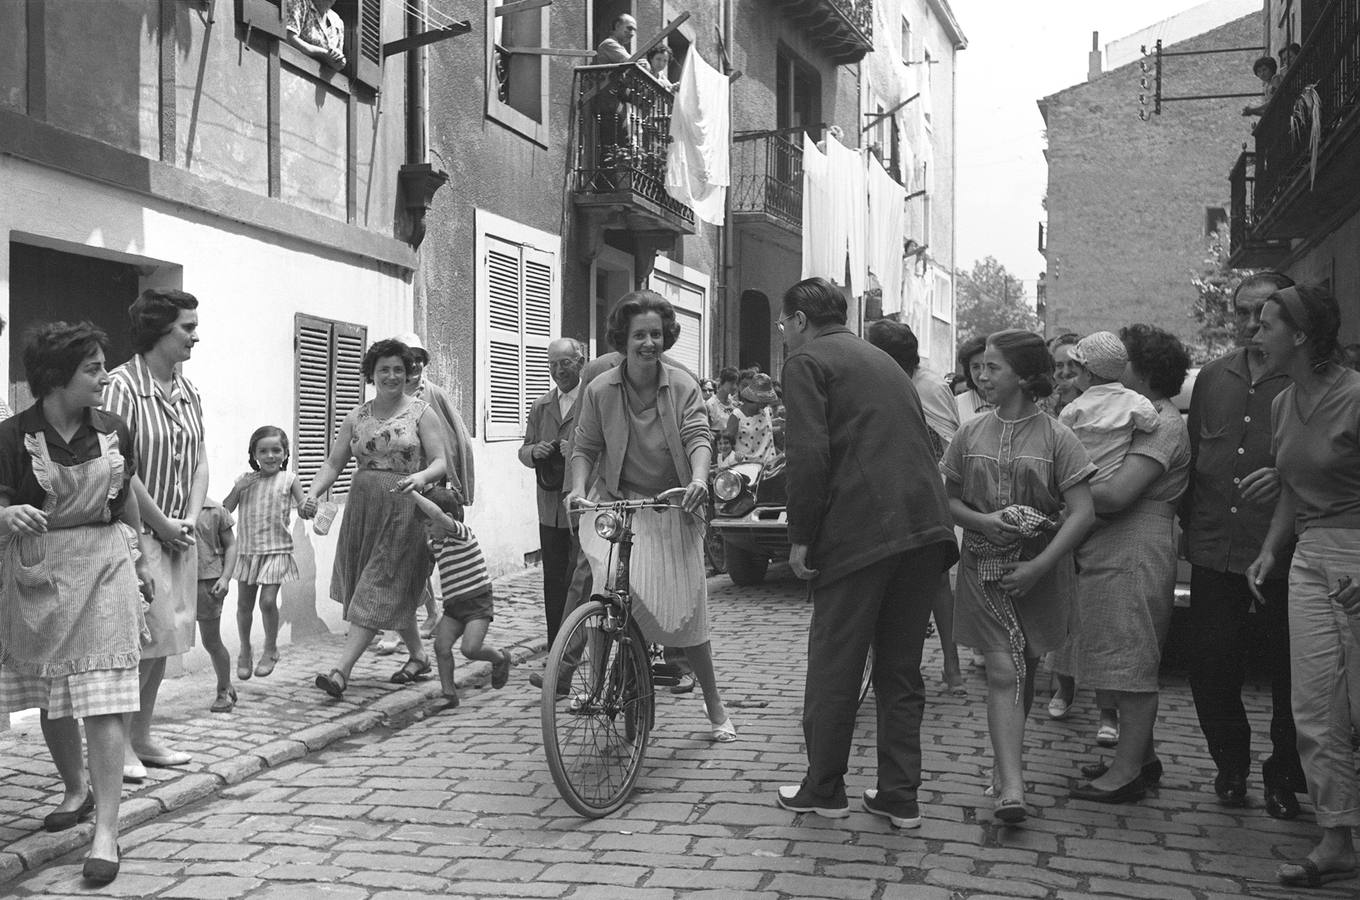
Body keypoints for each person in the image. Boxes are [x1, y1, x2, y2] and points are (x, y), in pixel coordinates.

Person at [774, 277, 957, 828]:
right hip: (924, 528)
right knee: (900, 670)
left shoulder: (807, 361)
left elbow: (807, 453)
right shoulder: (883, 362)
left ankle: (824, 787)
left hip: (862, 532)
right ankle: (900, 795)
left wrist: (801, 534)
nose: (784, 333)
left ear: (801, 320)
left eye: (785, 323)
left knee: (836, 663)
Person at [0, 321, 155, 884]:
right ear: (55, 377)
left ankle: (107, 833)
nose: (105, 377)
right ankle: (75, 789)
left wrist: (140, 563)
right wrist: (5, 514)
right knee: (51, 690)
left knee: (107, 694)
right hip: (39, 575)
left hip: (107, 564)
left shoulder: (115, 430)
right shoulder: (11, 435)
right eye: (92, 368)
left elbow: (126, 502)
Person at [566, 290, 735, 742]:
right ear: (623, 338)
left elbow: (699, 436)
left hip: (672, 507)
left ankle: (714, 705)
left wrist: (699, 480)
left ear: (667, 338)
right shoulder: (600, 390)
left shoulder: (682, 385)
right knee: (606, 597)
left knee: (687, 614)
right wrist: (579, 490)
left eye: (656, 334)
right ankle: (601, 683)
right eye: (639, 334)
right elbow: (584, 447)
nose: (649, 343)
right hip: (619, 508)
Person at [944, 330, 1096, 822]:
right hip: (982, 571)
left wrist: (1038, 566)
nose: (980, 376)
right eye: (979, 367)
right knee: (1005, 670)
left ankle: (1004, 758)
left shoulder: (1058, 437)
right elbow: (945, 499)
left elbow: (1081, 513)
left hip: (1039, 569)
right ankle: (1013, 784)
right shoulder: (969, 434)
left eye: (993, 368)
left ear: (1026, 377)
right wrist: (983, 522)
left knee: (1025, 666)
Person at [1246, 285, 1360, 889]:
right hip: (1311, 557)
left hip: (1357, 553)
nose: (1254, 335)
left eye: (1266, 325)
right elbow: (1291, 483)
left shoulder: (1357, 395)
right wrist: (1270, 549)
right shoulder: (1282, 403)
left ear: (1301, 335)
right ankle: (1336, 836)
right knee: (1314, 707)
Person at [1181, 271, 1305, 818]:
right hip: (1214, 547)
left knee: (1290, 673)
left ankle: (1285, 776)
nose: (1251, 325)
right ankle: (1230, 765)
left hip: (1283, 552)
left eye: (1263, 314)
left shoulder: (1308, 380)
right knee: (1210, 666)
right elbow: (1193, 458)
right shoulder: (1212, 376)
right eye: (1241, 313)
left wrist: (1285, 474)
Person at [1071, 324, 1191, 804]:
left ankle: (1126, 773)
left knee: (1131, 658)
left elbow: (1119, 493)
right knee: (1117, 651)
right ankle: (1141, 756)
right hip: (1118, 545)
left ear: (1139, 370)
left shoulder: (1160, 421)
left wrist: (1063, 488)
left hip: (1136, 544)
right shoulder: (1132, 414)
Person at [305, 339, 448, 698]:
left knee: (378, 586)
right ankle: (418, 656)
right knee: (386, 586)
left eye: (399, 369)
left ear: (408, 372)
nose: (392, 375)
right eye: (384, 369)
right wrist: (312, 491)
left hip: (404, 507)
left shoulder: (421, 412)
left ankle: (341, 671)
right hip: (364, 508)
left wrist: (422, 477)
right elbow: (334, 463)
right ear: (372, 374)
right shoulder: (357, 416)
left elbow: (440, 462)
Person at [104, 288, 207, 781]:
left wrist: (185, 519)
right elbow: (119, 466)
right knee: (139, 641)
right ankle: (118, 743)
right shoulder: (121, 386)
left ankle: (142, 735)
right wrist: (162, 524)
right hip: (137, 533)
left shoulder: (188, 392)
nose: (194, 335)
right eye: (185, 327)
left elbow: (201, 458)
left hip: (179, 533)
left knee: (167, 640)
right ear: (158, 331)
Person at [865, 318, 966, 694]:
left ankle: (951, 665)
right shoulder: (869, 379)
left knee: (938, 579)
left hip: (926, 491)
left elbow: (950, 441)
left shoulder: (930, 385)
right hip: (882, 491)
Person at [394, 331, 476, 637]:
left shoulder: (435, 394)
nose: (413, 365)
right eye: (407, 359)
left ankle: (435, 614)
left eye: (418, 359)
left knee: (427, 551)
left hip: (432, 485)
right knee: (410, 551)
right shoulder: (392, 395)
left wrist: (456, 483)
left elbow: (458, 438)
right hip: (402, 483)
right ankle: (428, 612)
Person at [414, 487, 510, 708]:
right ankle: (449, 694)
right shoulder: (436, 544)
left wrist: (413, 494)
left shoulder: (461, 533)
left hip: (477, 603)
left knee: (470, 649)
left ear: (447, 518)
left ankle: (500, 658)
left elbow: (437, 515)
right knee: (441, 647)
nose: (428, 531)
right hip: (454, 607)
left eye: (429, 525)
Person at [224, 426, 307, 681]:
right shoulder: (244, 481)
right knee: (244, 605)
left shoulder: (289, 480)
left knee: (268, 602)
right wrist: (239, 489)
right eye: (263, 451)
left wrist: (310, 507)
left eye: (276, 450)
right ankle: (245, 650)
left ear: (284, 454)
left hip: (276, 551)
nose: (270, 456)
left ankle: (270, 649)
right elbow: (225, 511)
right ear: (254, 454)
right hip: (248, 551)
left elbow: (303, 507)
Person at [519, 338, 585, 647]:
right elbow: (523, 449)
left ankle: (579, 643)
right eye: (553, 364)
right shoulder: (541, 405)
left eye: (565, 363)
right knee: (554, 578)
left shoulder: (593, 399)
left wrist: (573, 449)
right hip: (550, 505)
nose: (558, 370)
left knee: (581, 577)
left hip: (583, 505)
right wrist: (536, 450)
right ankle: (555, 645)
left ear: (580, 362)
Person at [1061, 332, 1159, 483]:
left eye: (1076, 373)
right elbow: (1150, 424)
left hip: (1080, 482)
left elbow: (1060, 442)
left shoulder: (1073, 409)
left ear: (1088, 374)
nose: (1074, 378)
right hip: (1113, 481)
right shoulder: (1135, 401)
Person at [194, 496, 238, 713]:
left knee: (211, 641)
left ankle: (224, 688)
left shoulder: (215, 511)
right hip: (174, 579)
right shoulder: (164, 506)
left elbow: (231, 545)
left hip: (207, 582)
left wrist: (225, 577)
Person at [723, 373, 779, 464]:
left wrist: (779, 426)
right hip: (748, 468)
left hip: (770, 466)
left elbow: (764, 431)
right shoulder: (737, 416)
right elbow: (726, 443)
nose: (766, 404)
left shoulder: (766, 411)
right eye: (764, 401)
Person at [285, 0, 346, 70]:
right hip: (294, 68)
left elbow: (337, 60)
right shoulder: (299, 3)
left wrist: (340, 60)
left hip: (322, 77)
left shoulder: (337, 21)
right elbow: (289, 38)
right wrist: (322, 53)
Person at [955, 335, 992, 426]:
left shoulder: (1013, 402)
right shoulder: (955, 406)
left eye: (988, 365)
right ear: (968, 371)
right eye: (975, 367)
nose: (982, 373)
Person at [706, 366, 739, 435]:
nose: (735, 387)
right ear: (722, 382)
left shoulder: (735, 404)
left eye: (736, 383)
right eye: (732, 383)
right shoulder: (710, 404)